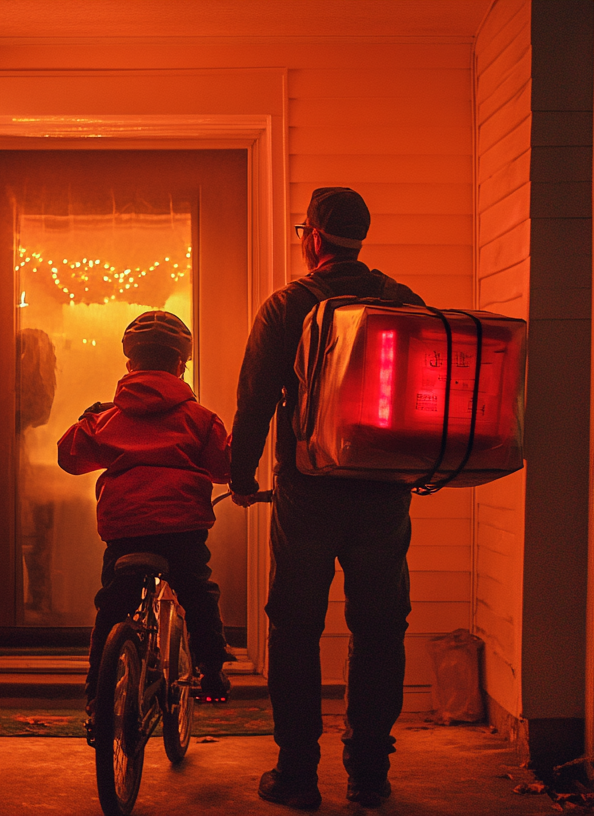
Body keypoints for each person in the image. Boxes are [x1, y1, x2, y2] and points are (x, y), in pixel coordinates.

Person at [230, 187, 425, 809]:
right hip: (383, 494)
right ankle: (369, 774)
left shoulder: (289, 305)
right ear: (359, 238)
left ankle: (298, 774)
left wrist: (239, 476)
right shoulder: (403, 302)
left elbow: (256, 400)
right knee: (379, 628)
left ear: (312, 237)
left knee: (294, 629)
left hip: (308, 492)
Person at [57, 310, 235, 738]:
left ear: (130, 365)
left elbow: (69, 457)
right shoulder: (201, 419)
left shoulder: (109, 418)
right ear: (180, 365)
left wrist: (88, 416)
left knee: (112, 608)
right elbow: (224, 468)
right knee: (197, 590)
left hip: (125, 530)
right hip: (182, 528)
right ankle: (211, 670)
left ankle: (97, 701)